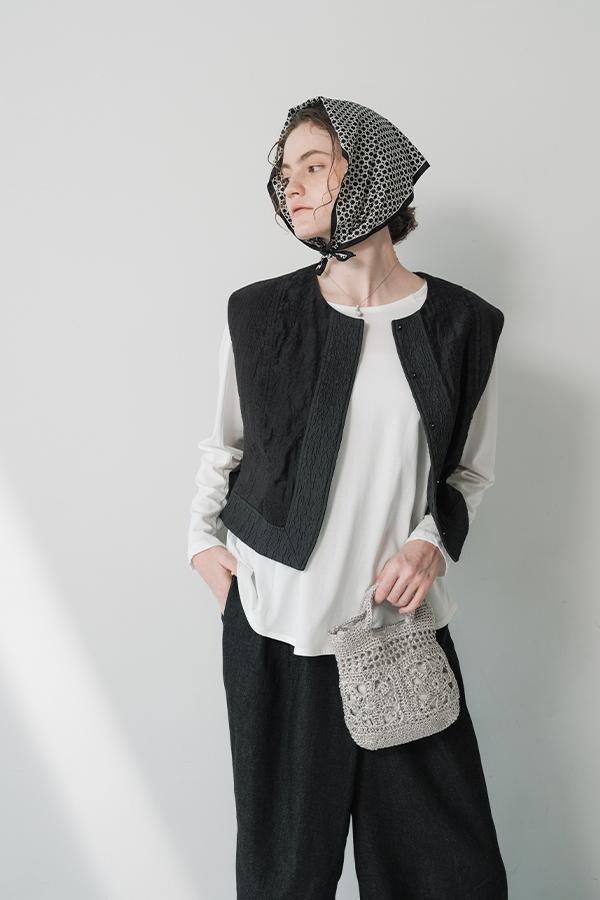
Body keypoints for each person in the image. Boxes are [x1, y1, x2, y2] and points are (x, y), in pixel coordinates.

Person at [188, 96, 508, 898]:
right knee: (285, 880)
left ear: (371, 175)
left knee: (448, 876)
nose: (290, 189)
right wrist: (201, 547)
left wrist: (430, 541)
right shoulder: (258, 313)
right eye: (283, 174)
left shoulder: (465, 325)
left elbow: (469, 473)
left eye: (313, 167)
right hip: (277, 631)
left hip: (398, 636)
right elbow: (224, 446)